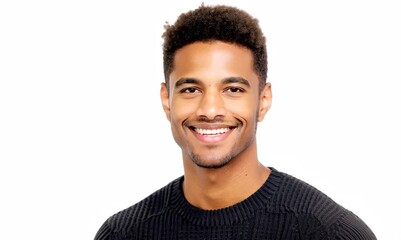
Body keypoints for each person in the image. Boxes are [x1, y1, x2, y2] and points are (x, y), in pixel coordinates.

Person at [94, 4, 376, 239]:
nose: (211, 109)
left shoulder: (331, 232)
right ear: (167, 100)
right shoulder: (124, 234)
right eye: (191, 90)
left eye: (233, 90)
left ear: (262, 101)